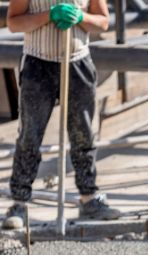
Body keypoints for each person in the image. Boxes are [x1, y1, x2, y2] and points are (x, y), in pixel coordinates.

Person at [2, 0, 121, 230]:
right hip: (38, 63)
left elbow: (103, 21)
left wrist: (80, 17)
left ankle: (89, 197)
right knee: (29, 135)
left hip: (77, 62)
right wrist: (48, 15)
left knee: (83, 134)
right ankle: (19, 203)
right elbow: (13, 23)